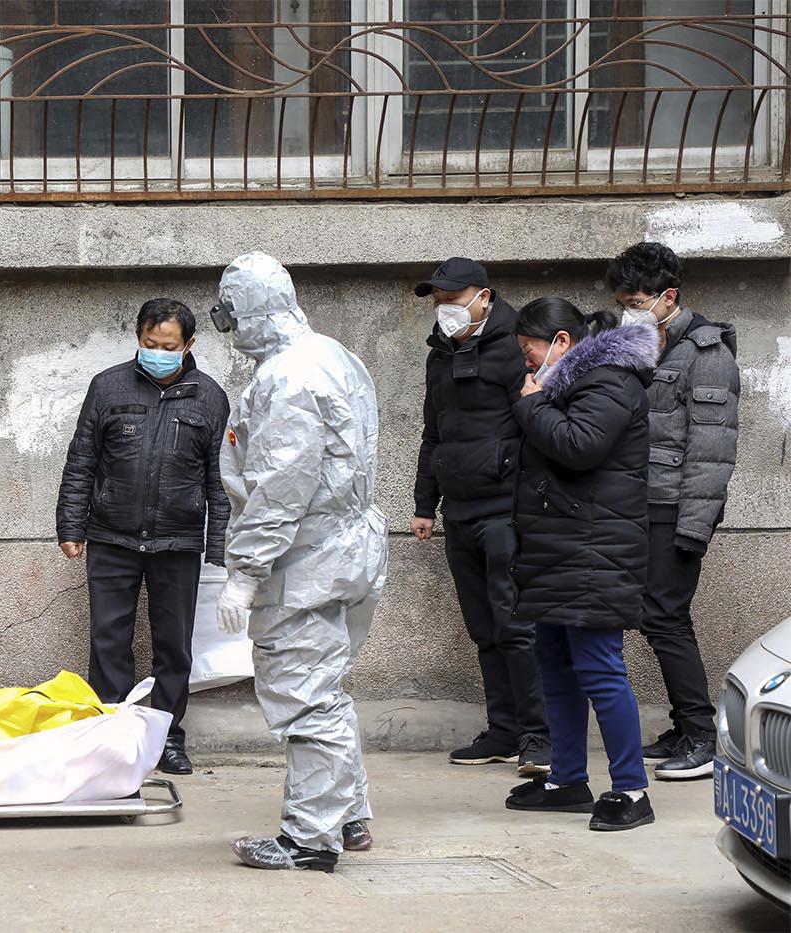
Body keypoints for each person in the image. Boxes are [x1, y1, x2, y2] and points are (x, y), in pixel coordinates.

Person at [213, 252, 388, 871]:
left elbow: (280, 486)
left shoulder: (287, 377)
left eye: (228, 315)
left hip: (307, 559)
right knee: (326, 691)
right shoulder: (333, 355)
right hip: (348, 549)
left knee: (305, 695)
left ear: (248, 312)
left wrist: (244, 573)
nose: (227, 330)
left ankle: (311, 838)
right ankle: (349, 817)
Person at [56, 298, 230, 775]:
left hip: (177, 541)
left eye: (167, 346)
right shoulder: (107, 387)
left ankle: (167, 737)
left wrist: (216, 545)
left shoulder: (210, 397)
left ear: (189, 345)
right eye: (148, 344)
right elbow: (82, 461)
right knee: (108, 639)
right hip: (112, 537)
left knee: (173, 646)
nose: (157, 352)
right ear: (138, 339)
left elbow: (220, 477)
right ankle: (113, 734)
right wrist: (71, 525)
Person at [504, 298, 659, 832]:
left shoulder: (610, 381)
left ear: (562, 343)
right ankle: (567, 779)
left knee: (598, 668)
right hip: (560, 547)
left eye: (531, 352)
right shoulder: (571, 384)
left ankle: (632, 790)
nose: (527, 364)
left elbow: (580, 446)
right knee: (555, 666)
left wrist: (531, 404)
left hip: (596, 550)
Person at [411, 258, 549, 775]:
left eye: (453, 296)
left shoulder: (517, 348)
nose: (443, 306)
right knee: (483, 628)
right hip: (459, 511)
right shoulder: (439, 355)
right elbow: (434, 433)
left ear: (484, 297)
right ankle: (505, 729)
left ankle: (541, 734)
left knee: (517, 626)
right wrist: (426, 505)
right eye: (437, 298)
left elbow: (536, 424)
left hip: (506, 510)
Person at [607, 242, 739, 781]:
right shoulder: (644, 344)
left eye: (637, 300)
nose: (629, 310)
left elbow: (713, 450)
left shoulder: (706, 355)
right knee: (652, 616)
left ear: (669, 297)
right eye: (623, 301)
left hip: (675, 510)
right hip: (640, 504)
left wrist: (693, 527)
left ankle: (703, 735)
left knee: (665, 617)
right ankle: (686, 727)